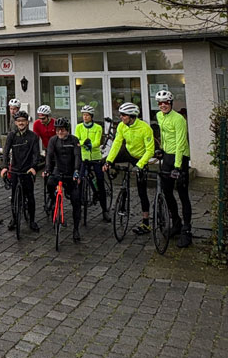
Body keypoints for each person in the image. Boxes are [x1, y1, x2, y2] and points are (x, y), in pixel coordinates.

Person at [103, 102, 155, 236]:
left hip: (141, 157)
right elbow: (116, 144)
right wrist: (109, 161)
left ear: (132, 117)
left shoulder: (145, 128)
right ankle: (115, 172)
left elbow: (150, 150)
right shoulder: (122, 126)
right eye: (120, 115)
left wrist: (139, 165)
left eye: (123, 115)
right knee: (106, 160)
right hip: (128, 153)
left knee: (142, 191)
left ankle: (146, 222)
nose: (121, 117)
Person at [155, 89, 192, 248]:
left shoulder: (179, 119)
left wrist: (177, 166)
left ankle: (187, 230)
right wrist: (161, 150)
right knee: (167, 191)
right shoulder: (159, 116)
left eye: (166, 103)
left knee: (183, 194)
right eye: (160, 103)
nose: (163, 105)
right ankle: (176, 223)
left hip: (180, 157)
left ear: (171, 103)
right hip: (168, 156)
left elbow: (180, 142)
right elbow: (164, 136)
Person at [44, 117, 83, 242]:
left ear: (67, 130)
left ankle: (76, 229)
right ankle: (52, 199)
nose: (60, 132)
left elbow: (77, 156)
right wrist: (47, 169)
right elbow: (49, 155)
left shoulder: (74, 140)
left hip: (71, 172)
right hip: (58, 170)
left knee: (76, 200)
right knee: (50, 183)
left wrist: (76, 171)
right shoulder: (53, 140)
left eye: (62, 130)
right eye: (57, 130)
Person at [1, 109, 39, 232]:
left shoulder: (33, 136)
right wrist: (5, 167)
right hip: (15, 169)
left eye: (23, 120)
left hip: (27, 170)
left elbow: (36, 154)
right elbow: (6, 151)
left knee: (30, 195)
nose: (21, 123)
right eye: (18, 121)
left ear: (27, 122)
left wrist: (34, 167)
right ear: (16, 123)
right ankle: (14, 219)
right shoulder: (12, 135)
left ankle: (32, 221)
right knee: (14, 196)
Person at [75, 105, 110, 222]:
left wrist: (88, 144)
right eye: (83, 115)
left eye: (87, 115)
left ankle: (104, 210)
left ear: (91, 116)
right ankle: (78, 207)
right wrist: (83, 143)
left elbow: (97, 142)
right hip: (83, 158)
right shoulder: (79, 127)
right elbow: (76, 140)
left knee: (100, 182)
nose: (85, 117)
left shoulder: (98, 127)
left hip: (95, 158)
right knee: (79, 181)